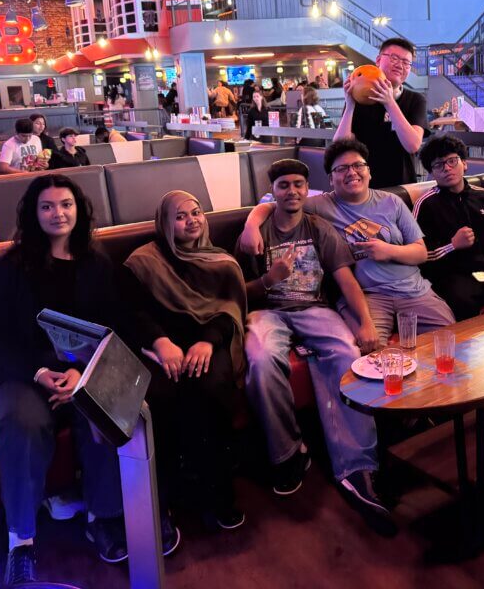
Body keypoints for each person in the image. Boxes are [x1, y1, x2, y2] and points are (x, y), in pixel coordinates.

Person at [0, 175, 127, 585]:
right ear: (33, 213)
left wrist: (82, 370)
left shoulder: (96, 263)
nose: (57, 213)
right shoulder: (11, 265)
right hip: (25, 370)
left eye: (65, 204)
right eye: (47, 206)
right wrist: (42, 372)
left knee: (104, 412)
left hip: (83, 366)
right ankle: (20, 541)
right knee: (23, 425)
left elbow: (110, 323)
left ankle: (103, 516)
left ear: (79, 210)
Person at [235, 159, 393, 532]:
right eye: (284, 185)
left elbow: (346, 280)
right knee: (260, 358)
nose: (292, 192)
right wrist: (262, 258)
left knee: (346, 353)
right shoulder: (254, 234)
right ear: (271, 191)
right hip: (266, 312)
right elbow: (237, 293)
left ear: (309, 190)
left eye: (299, 185)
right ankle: (289, 452)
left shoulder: (320, 228)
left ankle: (358, 467)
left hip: (313, 309)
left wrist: (365, 322)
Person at [121, 190, 245, 550]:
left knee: (211, 387)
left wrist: (207, 341)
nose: (192, 221)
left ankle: (217, 494)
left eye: (197, 213)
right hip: (160, 347)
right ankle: (164, 501)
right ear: (164, 222)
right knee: (159, 396)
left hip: (209, 343)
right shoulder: (143, 261)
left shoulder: (219, 260)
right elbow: (133, 312)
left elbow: (231, 309)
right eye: (180, 216)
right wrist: (161, 342)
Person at [240, 139, 454, 346]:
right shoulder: (321, 205)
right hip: (369, 297)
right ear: (331, 179)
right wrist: (251, 226)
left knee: (450, 339)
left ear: (369, 171)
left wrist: (388, 251)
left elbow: (421, 253)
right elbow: (274, 203)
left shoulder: (392, 202)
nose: (351, 172)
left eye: (358, 165)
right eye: (342, 169)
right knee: (370, 353)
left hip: (414, 290)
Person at [414, 135, 484, 320]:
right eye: (439, 165)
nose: (447, 168)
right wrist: (452, 245)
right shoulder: (426, 204)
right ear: (432, 172)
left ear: (464, 163)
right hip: (455, 277)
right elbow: (418, 255)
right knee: (460, 298)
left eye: (452, 161)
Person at [333, 37, 428, 188]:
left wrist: (389, 102)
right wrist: (350, 105)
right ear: (378, 60)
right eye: (394, 58)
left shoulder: (415, 100)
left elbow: (413, 145)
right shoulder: (359, 98)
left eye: (406, 62)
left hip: (402, 187)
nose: (399, 65)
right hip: (363, 188)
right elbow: (339, 147)